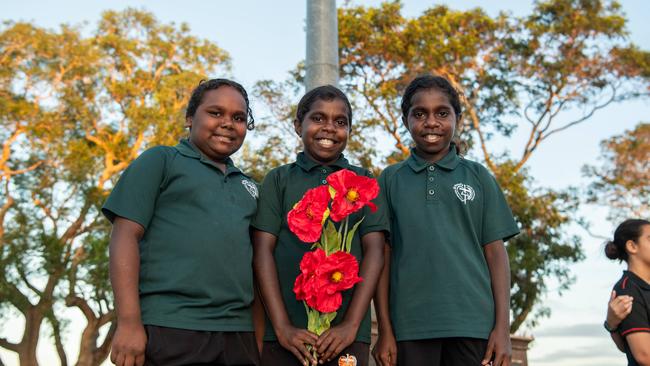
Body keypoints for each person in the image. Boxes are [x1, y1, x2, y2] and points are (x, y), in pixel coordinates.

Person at [104, 78, 260, 366]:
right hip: (170, 326)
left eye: (238, 118)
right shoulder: (162, 160)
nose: (227, 123)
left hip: (238, 334)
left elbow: (258, 264)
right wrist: (128, 323)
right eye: (215, 113)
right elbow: (124, 236)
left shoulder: (249, 187)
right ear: (190, 117)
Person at [372, 74, 519, 366]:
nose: (431, 122)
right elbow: (382, 257)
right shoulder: (390, 179)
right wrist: (385, 330)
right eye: (419, 113)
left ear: (457, 119)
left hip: (473, 325)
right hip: (409, 327)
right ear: (405, 120)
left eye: (442, 113)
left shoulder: (478, 177)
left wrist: (502, 329)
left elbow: (496, 255)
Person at [252, 85, 388, 366]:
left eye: (340, 122)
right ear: (297, 125)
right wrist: (281, 327)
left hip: (345, 338)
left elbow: (375, 252)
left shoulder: (364, 182)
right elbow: (262, 251)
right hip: (285, 337)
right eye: (318, 118)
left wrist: (351, 325)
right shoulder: (278, 180)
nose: (329, 128)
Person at [604, 218, 650, 366]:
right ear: (632, 246)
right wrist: (611, 326)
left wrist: (611, 326)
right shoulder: (627, 290)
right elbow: (644, 355)